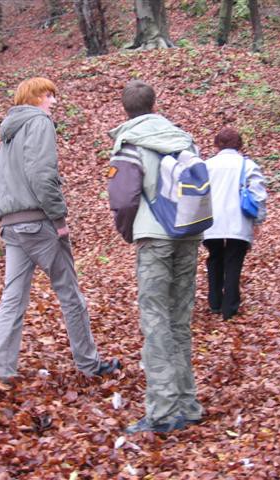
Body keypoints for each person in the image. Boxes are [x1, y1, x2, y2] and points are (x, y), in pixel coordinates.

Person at [0, 77, 120, 383]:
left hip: (12, 225)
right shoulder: (39, 123)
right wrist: (59, 219)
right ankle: (89, 364)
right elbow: (41, 173)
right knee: (70, 293)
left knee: (13, 298)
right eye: (49, 95)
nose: (54, 101)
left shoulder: (9, 132)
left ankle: (0, 371)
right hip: (38, 223)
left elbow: (4, 181)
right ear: (35, 98)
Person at [107, 80, 203, 434]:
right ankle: (188, 403)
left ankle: (162, 413)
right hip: (189, 233)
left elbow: (123, 199)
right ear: (154, 103)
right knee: (180, 320)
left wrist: (129, 231)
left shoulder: (130, 144)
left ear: (125, 109)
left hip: (155, 239)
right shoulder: (183, 139)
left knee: (155, 322)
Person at [203, 127, 267, 320]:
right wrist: (258, 220)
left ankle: (214, 302)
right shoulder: (248, 166)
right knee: (233, 261)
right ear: (239, 145)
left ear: (216, 145)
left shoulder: (206, 165)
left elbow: (198, 194)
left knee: (214, 258)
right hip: (238, 221)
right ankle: (229, 307)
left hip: (211, 222)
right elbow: (258, 195)